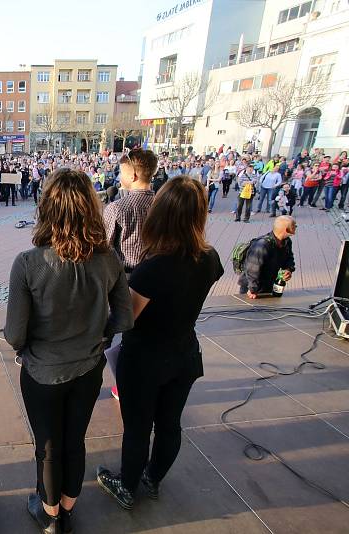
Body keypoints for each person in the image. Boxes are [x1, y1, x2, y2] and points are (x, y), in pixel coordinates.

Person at [5, 169, 133, 534]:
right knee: (74, 440)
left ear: (47, 209)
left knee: (47, 447)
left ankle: (50, 516)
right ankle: (67, 508)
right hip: (88, 368)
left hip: (42, 372)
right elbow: (123, 318)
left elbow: (14, 333)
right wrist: (99, 335)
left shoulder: (29, 263)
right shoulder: (108, 259)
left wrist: (29, 347)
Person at [96, 177, 224, 510]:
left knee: (137, 428)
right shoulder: (209, 258)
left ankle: (127, 486)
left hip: (145, 360)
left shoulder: (153, 268)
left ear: (161, 214)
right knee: (169, 424)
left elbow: (127, 319)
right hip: (183, 354)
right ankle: (152, 479)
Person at [104, 148, 157, 402]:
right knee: (147, 334)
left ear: (134, 174)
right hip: (159, 279)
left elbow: (102, 248)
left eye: (121, 171)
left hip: (125, 280)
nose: (118, 174)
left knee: (115, 331)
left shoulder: (117, 208)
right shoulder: (162, 204)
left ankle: (121, 384)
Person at [238, 216, 296, 298]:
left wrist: (288, 269)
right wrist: (253, 289)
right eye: (294, 225)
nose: (296, 227)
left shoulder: (286, 241)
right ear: (286, 229)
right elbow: (252, 269)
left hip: (269, 284)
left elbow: (289, 257)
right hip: (251, 287)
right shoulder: (262, 245)